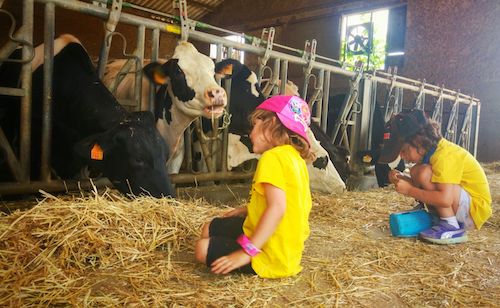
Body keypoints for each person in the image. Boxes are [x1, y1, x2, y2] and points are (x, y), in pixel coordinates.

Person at [194, 95, 315, 278]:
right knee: (209, 228)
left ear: (272, 123)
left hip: (269, 253)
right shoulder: (295, 159)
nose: (250, 134)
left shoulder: (272, 157)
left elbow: (278, 208)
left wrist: (246, 252)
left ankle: (250, 252)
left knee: (201, 248)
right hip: (285, 249)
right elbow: (290, 204)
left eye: (254, 126)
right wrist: (247, 209)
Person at [379, 109, 492, 244]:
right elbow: (428, 186)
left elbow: (445, 199)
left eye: (403, 151)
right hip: (462, 205)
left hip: (474, 210)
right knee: (416, 171)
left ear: (418, 142)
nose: (402, 156)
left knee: (423, 173)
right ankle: (441, 218)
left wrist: (409, 190)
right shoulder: (434, 153)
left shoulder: (445, 156)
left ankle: (451, 225)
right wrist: (403, 178)